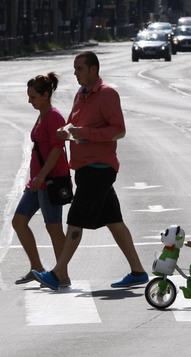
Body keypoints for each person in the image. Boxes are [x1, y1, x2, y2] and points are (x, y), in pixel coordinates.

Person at [32, 51, 148, 290]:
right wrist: (67, 131)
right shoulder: (81, 94)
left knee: (75, 220)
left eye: (79, 69)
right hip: (85, 167)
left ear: (93, 70)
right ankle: (138, 271)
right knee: (114, 220)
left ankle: (58, 273)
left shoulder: (107, 94)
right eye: (75, 69)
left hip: (100, 167)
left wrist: (84, 133)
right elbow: (75, 123)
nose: (75, 73)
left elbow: (119, 130)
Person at [13, 73, 68, 286]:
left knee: (54, 228)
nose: (29, 101)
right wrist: (36, 178)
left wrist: (42, 176)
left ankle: (62, 275)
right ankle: (36, 267)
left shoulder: (54, 117)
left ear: (45, 95)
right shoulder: (42, 115)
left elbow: (57, 150)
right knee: (19, 222)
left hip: (50, 181)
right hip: (37, 182)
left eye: (33, 97)